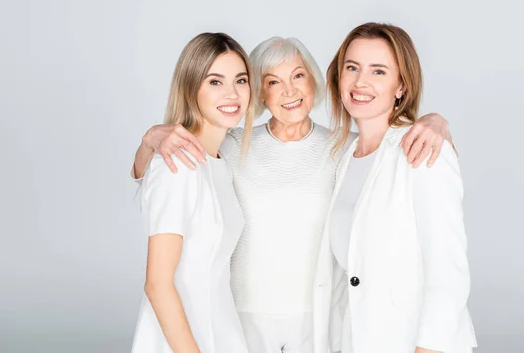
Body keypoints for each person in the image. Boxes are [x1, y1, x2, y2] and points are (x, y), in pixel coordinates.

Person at [131, 36, 453, 353]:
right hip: (240, 318)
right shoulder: (228, 147)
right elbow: (151, 178)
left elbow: (401, 158)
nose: (289, 91)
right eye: (273, 82)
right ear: (260, 93)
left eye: (298, 75)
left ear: (314, 80)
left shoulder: (346, 148)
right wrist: (150, 140)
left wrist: (437, 122)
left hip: (317, 319)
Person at [313, 22, 477, 353]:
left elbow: (448, 271)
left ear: (401, 86)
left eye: (378, 72)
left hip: (416, 344)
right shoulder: (343, 156)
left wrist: (428, 347)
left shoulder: (424, 147)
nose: (361, 81)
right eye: (352, 67)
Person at [130, 32, 255, 353]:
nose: (232, 93)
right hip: (183, 342)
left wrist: (148, 140)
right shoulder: (180, 165)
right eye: (215, 81)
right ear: (191, 87)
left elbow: (138, 173)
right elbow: (157, 285)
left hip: (221, 331)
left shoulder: (220, 159)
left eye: (240, 80)